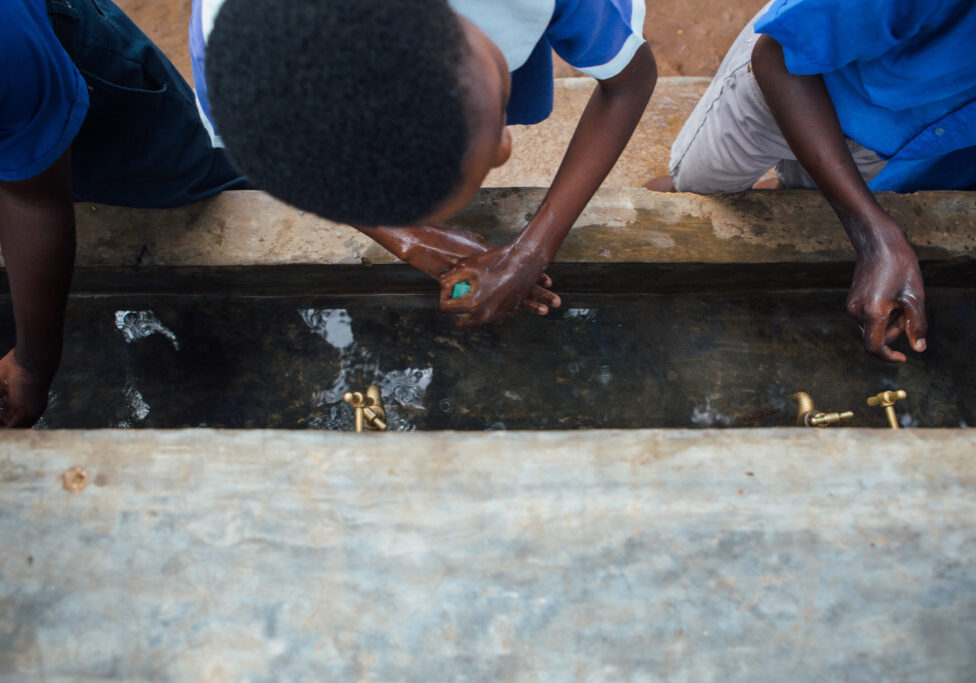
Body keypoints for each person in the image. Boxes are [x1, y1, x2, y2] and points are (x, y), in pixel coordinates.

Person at [193, 0, 657, 328]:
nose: (506, 151)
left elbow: (630, 80)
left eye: (493, 115)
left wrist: (533, 250)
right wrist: (406, 238)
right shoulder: (237, 61)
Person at [649, 0, 976, 362]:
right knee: (696, 196)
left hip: (877, 141)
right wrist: (875, 236)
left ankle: (768, 190)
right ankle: (673, 190)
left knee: (797, 203)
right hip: (779, 91)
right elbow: (775, 57)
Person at [0, 0, 248, 427]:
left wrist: (33, 363)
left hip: (61, 53)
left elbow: (33, 200)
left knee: (179, 166)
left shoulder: (10, 50)